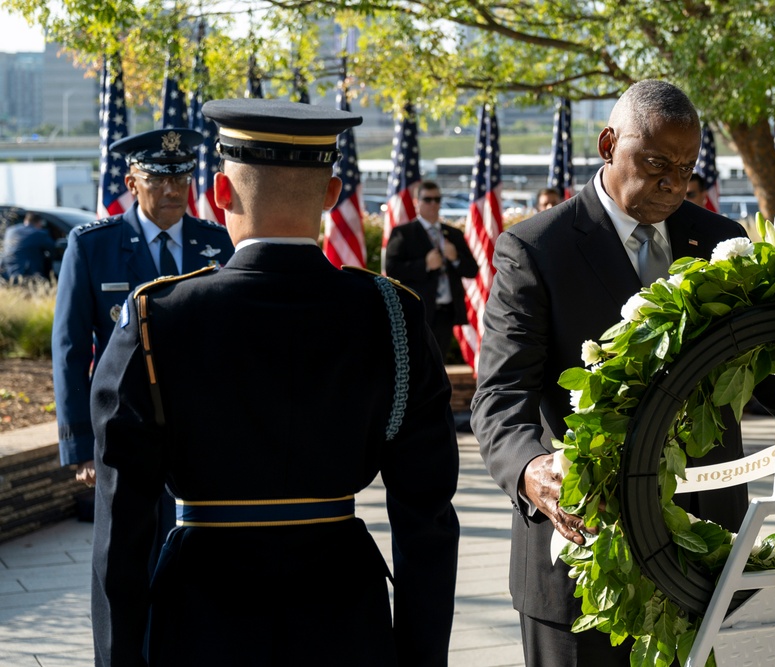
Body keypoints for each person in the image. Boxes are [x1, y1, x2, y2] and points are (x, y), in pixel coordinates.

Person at [89, 99, 461, 666]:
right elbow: (427, 517)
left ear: (217, 192)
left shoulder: (155, 317)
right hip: (345, 617)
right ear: (332, 194)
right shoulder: (390, 313)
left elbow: (121, 530)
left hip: (202, 620)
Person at [471, 79, 751, 667]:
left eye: (685, 166)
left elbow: (769, 376)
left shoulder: (724, 243)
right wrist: (529, 469)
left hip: (708, 553)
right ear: (607, 144)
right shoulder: (536, 249)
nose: (673, 182)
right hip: (585, 555)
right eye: (654, 163)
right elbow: (500, 395)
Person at [51, 128, 234, 541]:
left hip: (201, 432)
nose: (173, 190)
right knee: (128, 555)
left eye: (182, 179)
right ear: (132, 183)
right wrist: (81, 447)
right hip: (125, 429)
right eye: (159, 180)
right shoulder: (92, 246)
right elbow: (70, 350)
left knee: (199, 554)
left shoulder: (218, 244)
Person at [384, 180, 479, 360]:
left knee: (438, 361)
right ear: (416, 202)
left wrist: (455, 258)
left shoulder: (453, 234)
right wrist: (424, 265)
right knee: (417, 362)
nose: (433, 204)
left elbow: (472, 270)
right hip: (416, 311)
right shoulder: (404, 233)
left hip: (446, 311)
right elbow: (392, 269)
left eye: (437, 199)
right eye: (427, 199)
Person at [1, 212, 55, 281]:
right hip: (27, 275)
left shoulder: (10, 230)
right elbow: (53, 249)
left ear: (25, 220)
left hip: (7, 273)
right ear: (39, 223)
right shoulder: (38, 233)